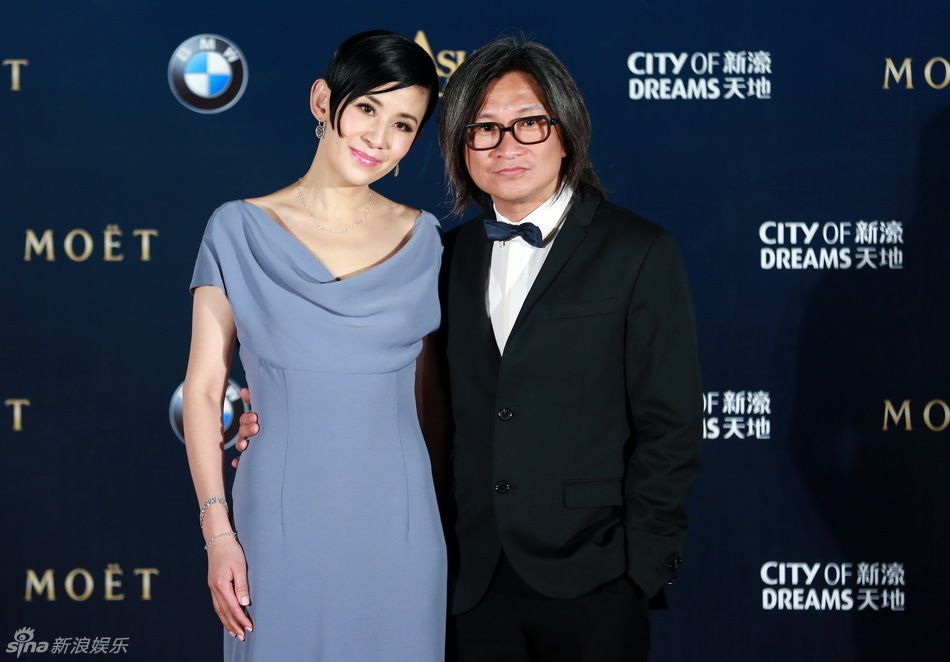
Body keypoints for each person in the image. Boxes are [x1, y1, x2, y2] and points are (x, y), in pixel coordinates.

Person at [240, 34, 703, 662]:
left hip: (594, 578)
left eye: (529, 124)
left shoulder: (638, 252)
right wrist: (278, 418)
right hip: (464, 580)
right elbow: (396, 390)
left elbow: (670, 425)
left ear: (565, 130)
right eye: (483, 129)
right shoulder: (440, 255)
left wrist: (639, 569)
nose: (506, 145)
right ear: (461, 147)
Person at [182, 30, 446, 661]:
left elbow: (429, 398)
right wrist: (217, 529)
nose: (379, 138)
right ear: (323, 101)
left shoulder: (427, 238)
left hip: (400, 522)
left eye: (404, 124)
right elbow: (203, 387)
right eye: (367, 109)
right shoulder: (236, 228)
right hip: (280, 515)